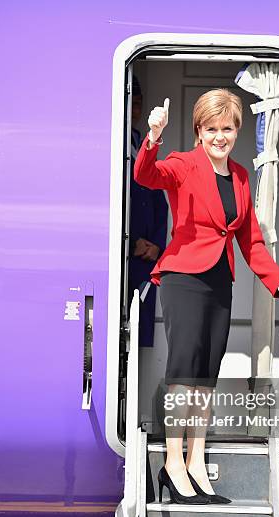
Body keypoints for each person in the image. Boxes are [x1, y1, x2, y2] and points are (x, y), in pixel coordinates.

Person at [134, 89, 279, 504]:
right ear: (199, 131)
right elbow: (146, 176)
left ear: (237, 130)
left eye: (227, 128)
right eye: (211, 129)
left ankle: (194, 462)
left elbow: (251, 241)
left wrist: (278, 282)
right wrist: (153, 137)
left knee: (206, 377)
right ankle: (172, 463)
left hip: (219, 281)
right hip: (183, 277)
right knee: (184, 372)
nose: (220, 137)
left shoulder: (241, 177)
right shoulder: (183, 165)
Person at [127, 75, 168, 346]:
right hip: (127, 252)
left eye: (139, 104)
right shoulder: (111, 147)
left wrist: (157, 245)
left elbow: (159, 203)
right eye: (133, 103)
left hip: (146, 255)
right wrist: (128, 242)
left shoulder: (141, 144)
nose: (136, 111)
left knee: (137, 327)